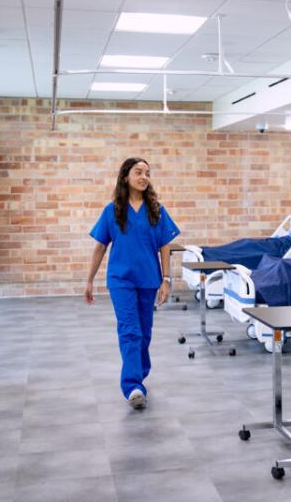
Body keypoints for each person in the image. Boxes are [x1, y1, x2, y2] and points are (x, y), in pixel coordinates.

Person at [84, 158, 180, 409]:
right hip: (121, 280)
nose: (144, 177)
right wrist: (89, 280)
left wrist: (167, 280)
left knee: (144, 333)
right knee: (130, 331)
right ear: (125, 176)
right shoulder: (112, 210)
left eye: (147, 173)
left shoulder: (156, 210)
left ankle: (138, 375)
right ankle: (132, 386)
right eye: (138, 172)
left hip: (149, 279)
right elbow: (100, 247)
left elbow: (164, 247)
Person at [199, 203, 291, 269]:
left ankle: (208, 257)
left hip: (280, 248)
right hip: (275, 242)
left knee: (246, 249)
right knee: (244, 243)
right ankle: (206, 251)